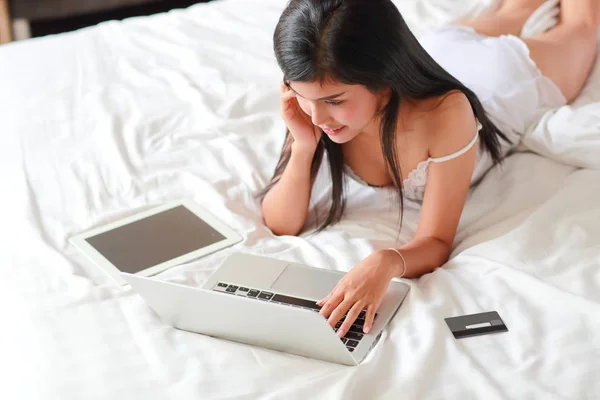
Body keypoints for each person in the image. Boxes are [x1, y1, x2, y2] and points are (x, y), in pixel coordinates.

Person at [258, 0, 599, 339]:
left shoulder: (445, 114)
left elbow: (436, 241)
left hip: (504, 79)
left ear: (383, 80)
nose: (317, 118)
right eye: (302, 96)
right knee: (515, 9)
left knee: (580, 27)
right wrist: (303, 147)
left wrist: (386, 261)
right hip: (443, 50)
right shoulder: (317, 91)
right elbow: (280, 222)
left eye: (334, 101)